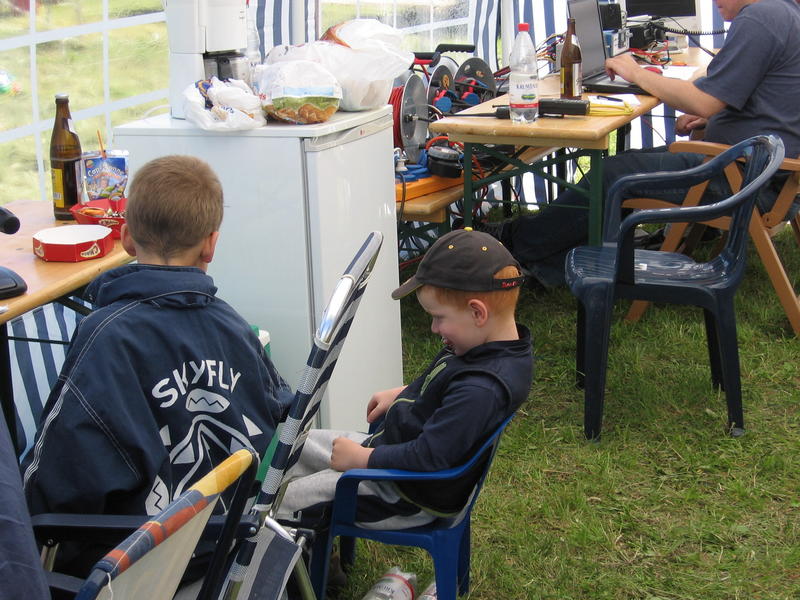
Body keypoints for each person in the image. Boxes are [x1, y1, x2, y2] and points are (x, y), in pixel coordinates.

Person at [22, 155, 293, 576]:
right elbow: (281, 411)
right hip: (226, 542)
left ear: (127, 238)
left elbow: (49, 488)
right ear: (211, 244)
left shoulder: (103, 339)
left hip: (136, 566)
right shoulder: (235, 328)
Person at [484, 0, 800, 287]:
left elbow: (704, 100)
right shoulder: (784, 13)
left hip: (744, 179)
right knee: (627, 165)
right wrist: (712, 119)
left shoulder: (761, 17)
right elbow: (766, 98)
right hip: (762, 171)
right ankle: (547, 268)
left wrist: (635, 72)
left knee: (612, 176)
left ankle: (509, 245)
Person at [275, 228, 533, 531]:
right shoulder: (481, 345)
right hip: (390, 451)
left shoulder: (482, 388)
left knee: (279, 504)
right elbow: (447, 387)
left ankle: (290, 541)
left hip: (402, 493)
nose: (434, 328)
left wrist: (363, 460)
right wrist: (404, 392)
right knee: (291, 445)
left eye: (438, 317)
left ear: (477, 312)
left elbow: (430, 456)